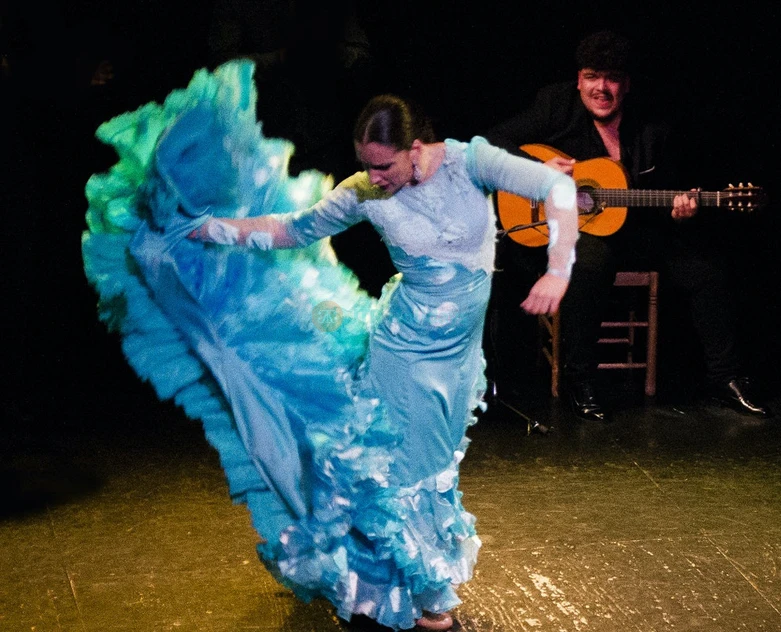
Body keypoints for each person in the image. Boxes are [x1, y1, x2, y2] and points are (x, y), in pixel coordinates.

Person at [83, 62, 578, 631]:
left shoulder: (471, 162)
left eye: (383, 165)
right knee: (404, 471)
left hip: (459, 357)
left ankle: (392, 583)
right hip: (404, 352)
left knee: (437, 468)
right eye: (365, 165)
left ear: (415, 149)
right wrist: (210, 231)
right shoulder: (363, 191)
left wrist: (558, 271)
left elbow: (558, 186)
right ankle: (428, 599)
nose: (373, 176)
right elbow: (290, 229)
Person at [485, 29, 770, 422]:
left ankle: (726, 379)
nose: (601, 87)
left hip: (638, 232)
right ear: (579, 79)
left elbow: (665, 191)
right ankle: (579, 380)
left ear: (626, 84)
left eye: (612, 78)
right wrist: (537, 171)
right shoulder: (556, 104)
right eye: (591, 76)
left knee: (707, 270)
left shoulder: (652, 126)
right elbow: (490, 142)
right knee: (590, 261)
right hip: (576, 234)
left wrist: (680, 208)